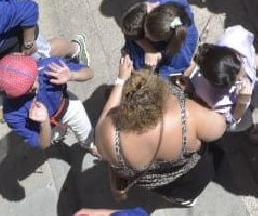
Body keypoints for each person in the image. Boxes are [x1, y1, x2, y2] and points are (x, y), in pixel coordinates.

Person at [94, 61, 228, 205]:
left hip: (157, 183)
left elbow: (108, 110)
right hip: (187, 175)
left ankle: (182, 200)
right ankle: (186, 199)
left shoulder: (106, 131)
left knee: (176, 193)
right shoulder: (188, 116)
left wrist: (120, 81)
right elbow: (219, 128)